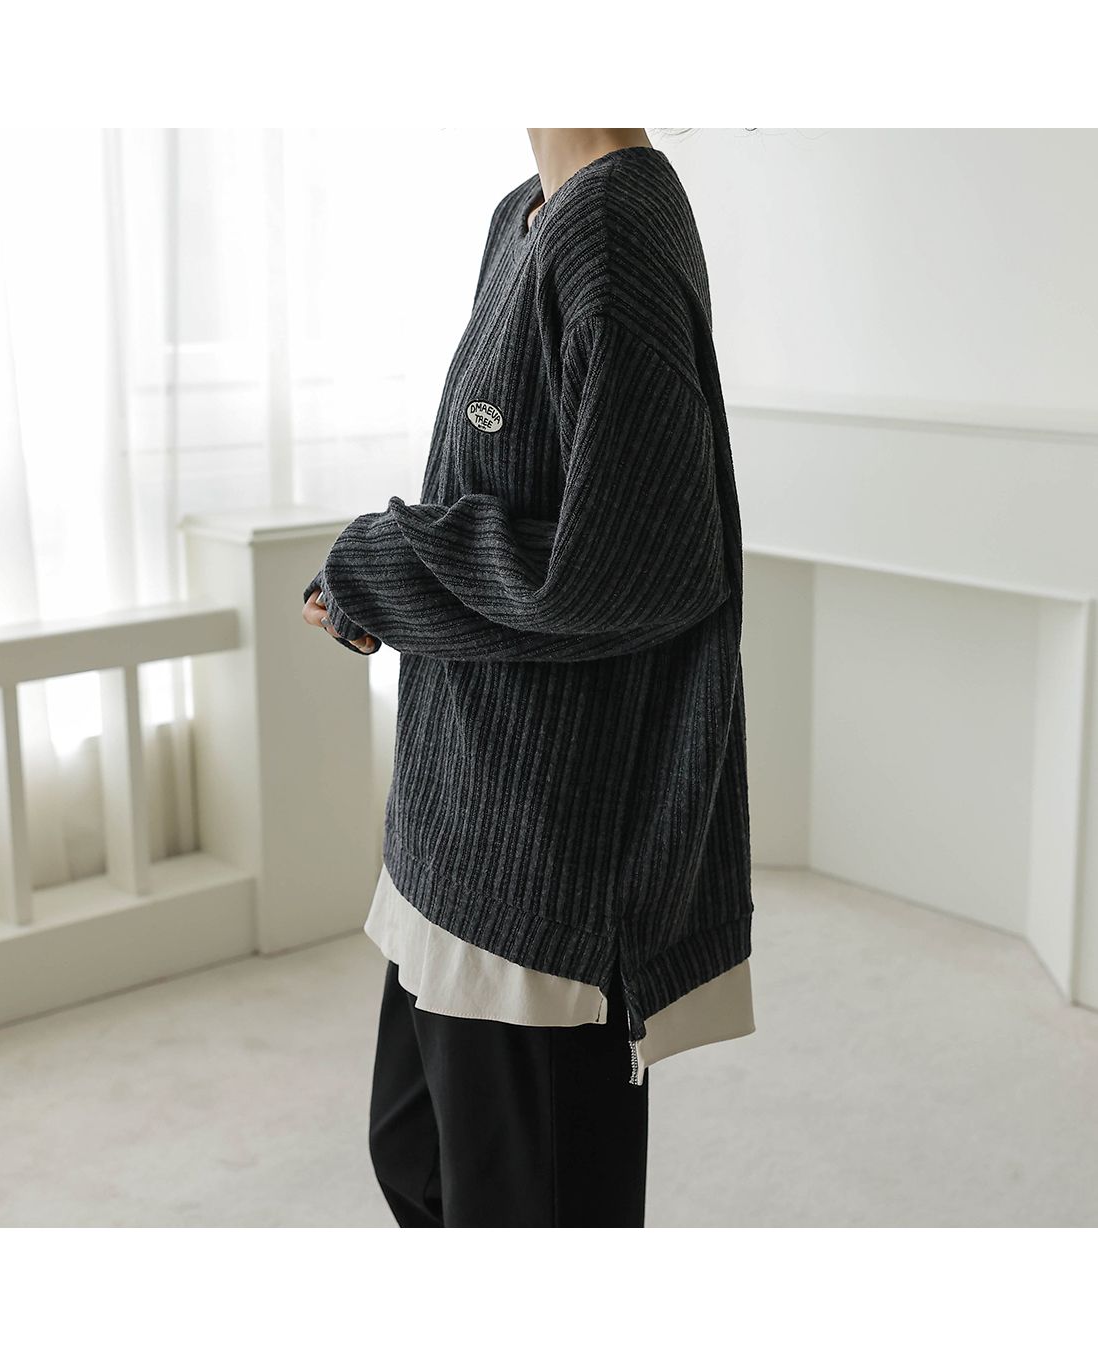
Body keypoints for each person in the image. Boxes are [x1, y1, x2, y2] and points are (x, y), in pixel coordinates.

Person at [302, 128, 755, 1227]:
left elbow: (634, 565)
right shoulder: (527, 210)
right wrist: (381, 580)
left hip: (543, 869)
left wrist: (381, 563)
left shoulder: (613, 227)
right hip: (457, 829)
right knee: (416, 1164)